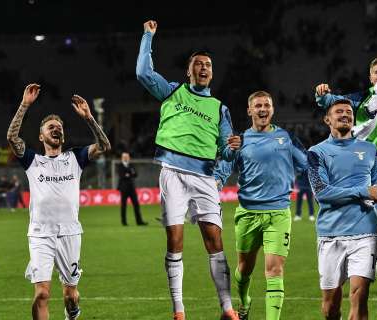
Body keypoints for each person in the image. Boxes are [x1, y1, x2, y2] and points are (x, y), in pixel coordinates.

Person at [314, 2, 377, 317]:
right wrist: (322, 96)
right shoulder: (362, 104)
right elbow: (335, 103)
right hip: (373, 171)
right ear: (370, 77)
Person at [136, 20, 238, 320]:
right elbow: (143, 73)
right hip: (172, 172)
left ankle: (227, 308)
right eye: (198, 64)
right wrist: (148, 37)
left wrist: (221, 174)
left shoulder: (219, 108)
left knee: (214, 241)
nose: (204, 68)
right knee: (175, 239)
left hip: (205, 177)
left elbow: (229, 150)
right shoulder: (171, 92)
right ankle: (179, 311)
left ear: (212, 73)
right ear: (188, 71)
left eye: (208, 65)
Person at [6, 84, 111, 320]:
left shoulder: (75, 158)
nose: (56, 129)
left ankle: (72, 312)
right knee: (42, 293)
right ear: (41, 136)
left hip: (70, 233)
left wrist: (90, 118)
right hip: (40, 233)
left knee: (70, 295)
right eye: (50, 127)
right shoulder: (32, 160)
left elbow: (104, 146)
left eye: (59, 127)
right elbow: (12, 137)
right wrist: (24, 105)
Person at [217, 91, 308, 320]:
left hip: (278, 212)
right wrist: (223, 164)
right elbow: (226, 163)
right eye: (258, 105)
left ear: (273, 109)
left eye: (267, 105)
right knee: (244, 269)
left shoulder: (286, 138)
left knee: (274, 270)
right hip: (248, 213)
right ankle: (245, 301)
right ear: (250, 111)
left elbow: (307, 162)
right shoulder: (241, 140)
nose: (263, 109)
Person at [308, 99, 377, 320]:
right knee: (330, 307)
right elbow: (322, 193)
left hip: (365, 232)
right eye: (339, 111)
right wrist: (363, 191)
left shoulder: (370, 149)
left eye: (349, 112)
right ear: (327, 119)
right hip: (330, 234)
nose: (345, 115)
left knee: (359, 298)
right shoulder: (317, 152)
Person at [117, 152, 147, 226]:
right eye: (125, 157)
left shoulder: (131, 165)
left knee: (136, 204)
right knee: (123, 205)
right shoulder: (120, 166)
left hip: (132, 188)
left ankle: (139, 221)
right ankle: (124, 222)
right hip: (124, 189)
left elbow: (136, 174)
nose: (126, 158)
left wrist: (128, 174)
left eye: (127, 157)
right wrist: (130, 173)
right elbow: (122, 175)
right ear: (122, 158)